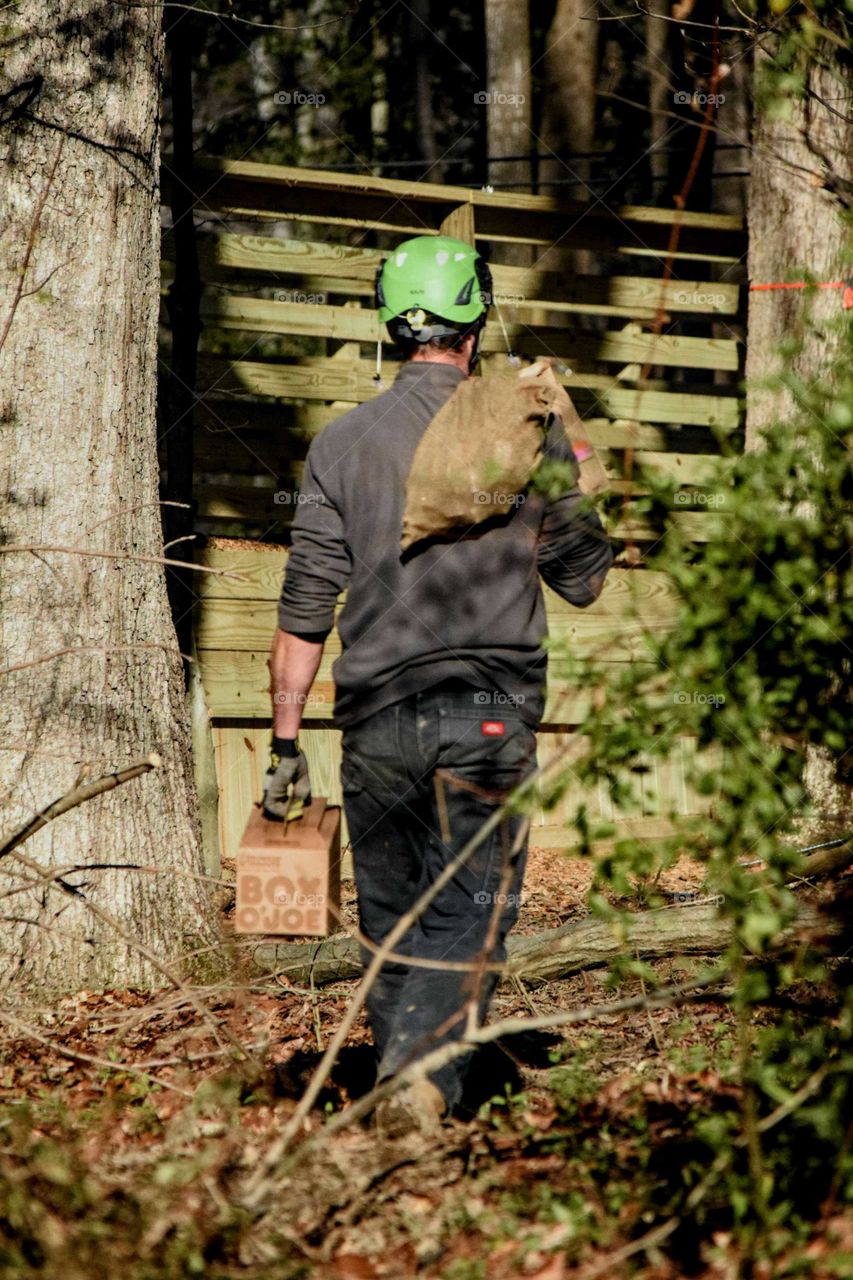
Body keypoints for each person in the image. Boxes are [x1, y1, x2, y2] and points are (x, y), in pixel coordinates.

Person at [265, 235, 613, 1133]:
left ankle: (403, 1086)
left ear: (393, 323)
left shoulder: (340, 444)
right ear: (476, 317)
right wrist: (569, 468)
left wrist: (284, 740)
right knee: (469, 908)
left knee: (388, 919)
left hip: (373, 717)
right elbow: (584, 578)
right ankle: (422, 1081)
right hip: (490, 717)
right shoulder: (528, 428)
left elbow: (305, 604)